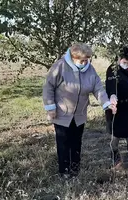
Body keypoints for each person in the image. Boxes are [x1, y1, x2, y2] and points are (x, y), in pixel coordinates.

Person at [42, 43, 117, 178]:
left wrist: (106, 103)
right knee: (63, 142)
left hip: (79, 114)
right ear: (73, 57)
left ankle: (75, 168)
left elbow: (98, 88)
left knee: (76, 142)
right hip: (61, 113)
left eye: (86, 60)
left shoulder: (90, 70)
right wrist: (50, 107)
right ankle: (64, 171)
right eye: (81, 60)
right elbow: (48, 87)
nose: (84, 63)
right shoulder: (60, 66)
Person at [105, 46, 128, 167]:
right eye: (124, 62)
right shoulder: (113, 69)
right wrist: (113, 96)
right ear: (119, 59)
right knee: (117, 131)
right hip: (117, 106)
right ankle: (115, 153)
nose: (127, 64)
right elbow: (110, 85)